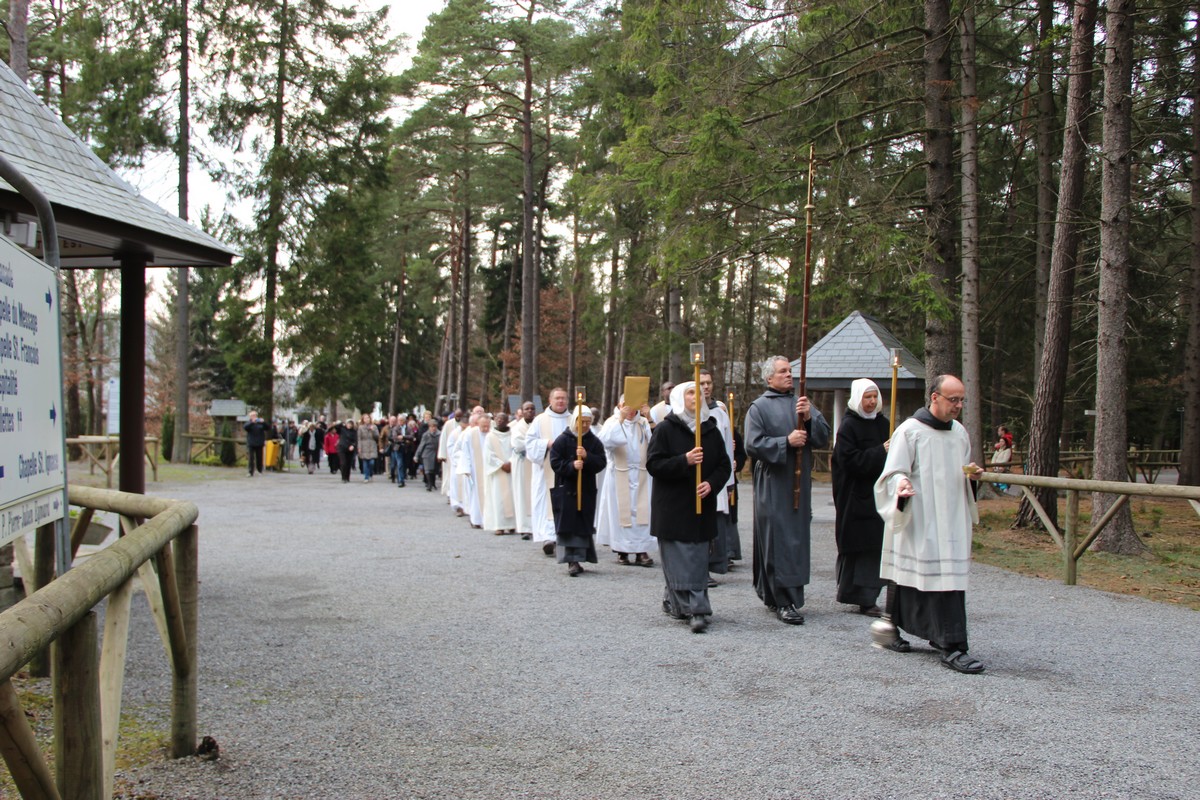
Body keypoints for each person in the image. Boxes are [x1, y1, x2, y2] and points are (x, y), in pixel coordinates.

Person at [873, 374, 985, 674]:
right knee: (916, 575)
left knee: (943, 578)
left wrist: (971, 476)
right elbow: (892, 472)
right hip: (921, 516)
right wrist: (901, 483)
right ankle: (953, 646)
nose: (958, 406)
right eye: (953, 399)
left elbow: (959, 470)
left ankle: (911, 629)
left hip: (952, 517)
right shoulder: (910, 431)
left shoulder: (959, 433)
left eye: (962, 400)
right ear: (934, 397)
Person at [743, 355, 831, 625]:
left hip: (799, 482)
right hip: (773, 481)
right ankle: (781, 599)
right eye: (783, 371)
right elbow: (752, 444)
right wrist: (785, 441)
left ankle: (788, 595)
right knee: (777, 538)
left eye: (790, 370)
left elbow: (822, 437)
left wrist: (809, 418)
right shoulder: (759, 408)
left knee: (797, 539)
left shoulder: (802, 403)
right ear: (769, 378)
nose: (789, 375)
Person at [646, 381, 732, 633]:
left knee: (695, 559)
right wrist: (684, 460)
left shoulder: (710, 430)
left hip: (700, 505)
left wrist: (711, 483)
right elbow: (654, 465)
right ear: (678, 398)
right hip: (672, 507)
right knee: (676, 559)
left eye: (699, 392)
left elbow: (724, 465)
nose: (697, 396)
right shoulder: (665, 429)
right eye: (690, 392)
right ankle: (688, 607)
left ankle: (694, 607)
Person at [831, 379, 891, 617]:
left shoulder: (883, 424)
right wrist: (880, 451)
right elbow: (849, 461)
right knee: (859, 545)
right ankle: (857, 595)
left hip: (878, 495)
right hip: (855, 496)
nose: (872, 402)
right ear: (858, 398)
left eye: (875, 397)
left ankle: (869, 596)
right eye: (867, 397)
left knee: (875, 547)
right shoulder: (848, 426)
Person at [594, 396, 655, 567]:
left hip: (641, 473)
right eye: (625, 405)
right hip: (619, 473)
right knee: (620, 513)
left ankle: (642, 550)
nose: (630, 410)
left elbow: (656, 443)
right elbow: (604, 441)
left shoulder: (643, 422)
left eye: (633, 406)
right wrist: (620, 419)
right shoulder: (612, 422)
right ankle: (622, 550)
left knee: (643, 513)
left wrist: (649, 417)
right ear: (619, 405)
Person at [548, 405, 606, 576]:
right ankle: (571, 560)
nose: (585, 425)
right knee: (568, 523)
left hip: (585, 489)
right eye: (582, 422)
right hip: (567, 488)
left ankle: (580, 557)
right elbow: (555, 462)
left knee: (582, 523)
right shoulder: (562, 440)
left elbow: (601, 462)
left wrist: (588, 458)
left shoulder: (594, 442)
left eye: (588, 422)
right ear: (575, 421)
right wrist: (572, 465)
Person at [698, 369, 736, 585]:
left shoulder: (720, 413)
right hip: (697, 478)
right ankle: (699, 568)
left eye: (709, 382)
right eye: (702, 383)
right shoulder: (688, 413)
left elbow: (727, 450)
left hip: (717, 478)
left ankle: (711, 565)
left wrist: (729, 482)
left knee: (715, 524)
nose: (706, 386)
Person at [525, 388, 572, 555]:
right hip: (546, 469)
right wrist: (547, 443)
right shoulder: (540, 420)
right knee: (546, 501)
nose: (560, 401)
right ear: (550, 400)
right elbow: (529, 443)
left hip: (568, 468)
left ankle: (565, 537)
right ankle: (548, 537)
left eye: (563, 398)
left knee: (567, 501)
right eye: (557, 398)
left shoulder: (573, 419)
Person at [484, 412, 517, 534]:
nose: (499, 421)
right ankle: (499, 525)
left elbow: (516, 450)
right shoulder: (490, 436)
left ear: (507, 421)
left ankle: (513, 524)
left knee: (513, 497)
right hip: (498, 471)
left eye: (502, 419)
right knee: (498, 499)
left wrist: (511, 462)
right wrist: (501, 464)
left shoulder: (513, 434)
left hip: (512, 470)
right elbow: (488, 454)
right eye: (497, 418)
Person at [509, 401, 537, 540]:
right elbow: (517, 444)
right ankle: (524, 527)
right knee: (522, 495)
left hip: (537, 464)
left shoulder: (538, 424)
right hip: (522, 463)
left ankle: (536, 526)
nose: (530, 411)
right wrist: (535, 444)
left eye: (532, 409)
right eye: (527, 409)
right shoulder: (517, 427)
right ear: (522, 411)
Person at [457, 412, 489, 529]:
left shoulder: (492, 433)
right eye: (483, 426)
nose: (486, 429)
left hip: (489, 469)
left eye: (487, 426)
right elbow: (465, 452)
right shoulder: (470, 434)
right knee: (475, 494)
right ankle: (476, 519)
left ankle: (488, 520)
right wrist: (466, 468)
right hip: (475, 469)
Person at [414, 419, 440, 491]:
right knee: (427, 470)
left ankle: (433, 483)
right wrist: (416, 455)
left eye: (434, 426)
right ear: (429, 427)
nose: (433, 428)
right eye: (431, 427)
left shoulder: (440, 434)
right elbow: (421, 445)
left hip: (435, 453)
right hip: (427, 453)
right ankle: (429, 484)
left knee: (433, 470)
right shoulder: (426, 435)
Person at [243, 410, 271, 477]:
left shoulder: (260, 423)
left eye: (255, 415)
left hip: (259, 443)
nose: (254, 417)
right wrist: (252, 422)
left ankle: (259, 470)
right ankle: (250, 472)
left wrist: (263, 422)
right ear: (250, 417)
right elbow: (245, 427)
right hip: (251, 443)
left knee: (259, 458)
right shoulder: (249, 423)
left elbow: (268, 428)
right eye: (252, 416)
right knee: (251, 458)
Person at [357, 413, 380, 483]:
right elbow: (359, 438)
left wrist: (373, 430)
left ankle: (371, 473)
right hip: (364, 445)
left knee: (371, 462)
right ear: (363, 420)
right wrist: (359, 447)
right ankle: (366, 476)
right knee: (365, 463)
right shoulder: (360, 427)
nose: (367, 419)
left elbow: (377, 436)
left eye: (368, 418)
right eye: (365, 418)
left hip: (372, 445)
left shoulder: (374, 426)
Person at [992, 425, 1013, 492]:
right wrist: (994, 465)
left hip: (1003, 465)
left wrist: (1000, 465)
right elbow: (994, 457)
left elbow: (1005, 459)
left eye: (999, 431)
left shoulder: (1008, 439)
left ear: (1003, 431)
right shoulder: (998, 450)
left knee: (1003, 480)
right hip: (996, 466)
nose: (998, 432)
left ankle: (1004, 489)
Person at [336, 419, 357, 483]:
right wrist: (341, 423)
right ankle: (343, 477)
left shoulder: (354, 432)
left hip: (350, 449)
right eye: (348, 424)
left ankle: (347, 477)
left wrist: (353, 445)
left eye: (351, 424)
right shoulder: (342, 429)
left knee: (348, 464)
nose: (349, 425)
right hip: (342, 448)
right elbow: (336, 427)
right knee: (343, 463)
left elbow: (356, 440)